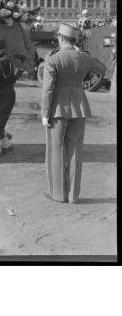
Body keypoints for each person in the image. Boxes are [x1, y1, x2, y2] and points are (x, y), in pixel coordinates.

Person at [41, 23, 106, 204]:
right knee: (75, 151)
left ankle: (58, 194)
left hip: (57, 110)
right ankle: (73, 195)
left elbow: (48, 89)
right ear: (75, 40)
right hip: (79, 108)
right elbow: (102, 69)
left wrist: (45, 113)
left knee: (56, 151)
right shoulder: (83, 57)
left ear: (61, 38)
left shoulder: (52, 58)